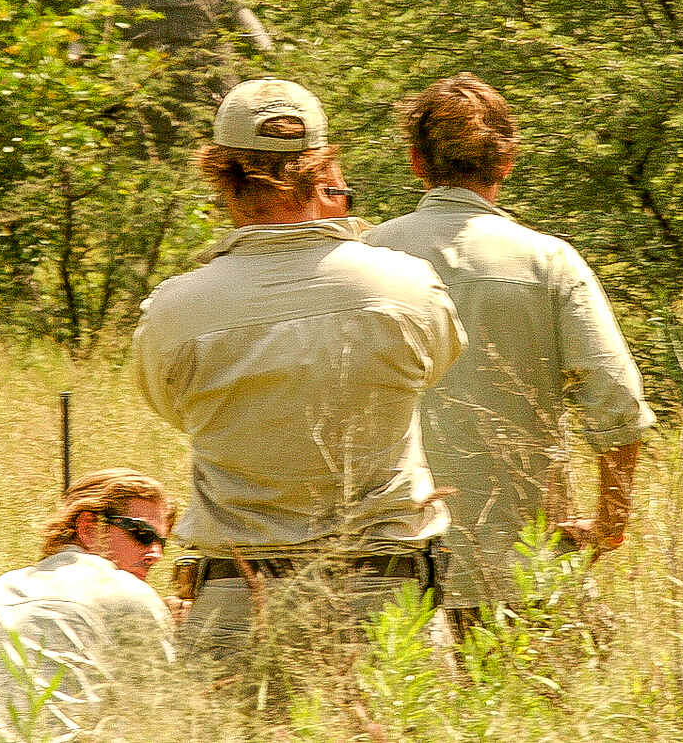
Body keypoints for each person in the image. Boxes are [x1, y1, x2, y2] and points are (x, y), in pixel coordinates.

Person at [132, 77, 467, 661]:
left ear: (220, 175)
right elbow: (435, 365)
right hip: (386, 598)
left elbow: (171, 408)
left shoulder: (174, 309)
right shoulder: (405, 285)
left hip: (237, 600)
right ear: (323, 169)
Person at [367, 73, 655, 633]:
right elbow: (616, 402)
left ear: (415, 162)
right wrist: (608, 523)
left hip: (386, 562)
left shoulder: (363, 258)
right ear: (507, 163)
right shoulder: (550, 262)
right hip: (521, 561)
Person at [0, 469, 177, 741]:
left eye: (162, 543)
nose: (156, 554)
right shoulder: (128, 593)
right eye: (142, 534)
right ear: (89, 529)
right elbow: (162, 712)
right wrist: (173, 628)